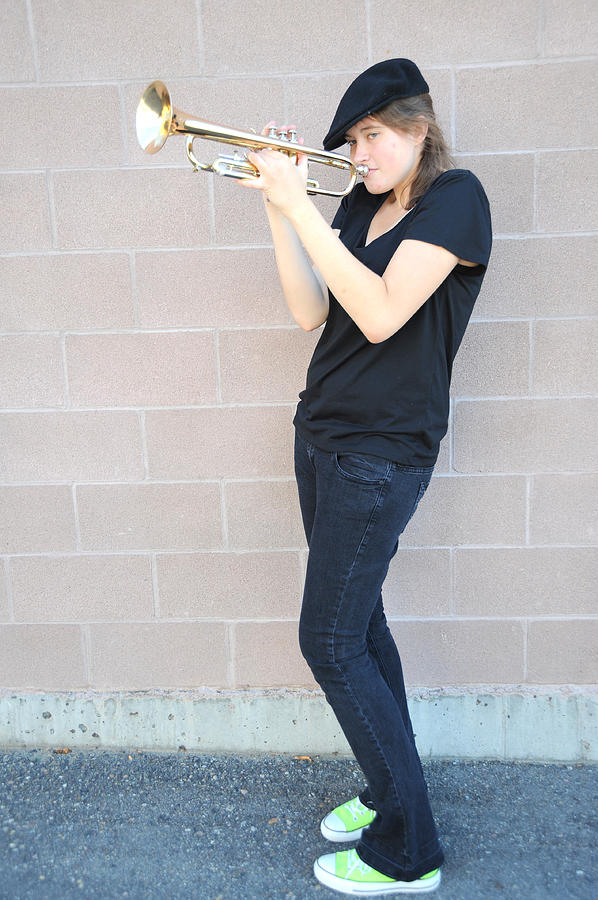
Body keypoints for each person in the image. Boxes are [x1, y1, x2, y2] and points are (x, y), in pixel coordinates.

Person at [237, 58, 492, 896]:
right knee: (362, 627)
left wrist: (293, 203)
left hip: (380, 455)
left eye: (375, 135)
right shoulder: (355, 202)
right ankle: (391, 792)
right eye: (353, 139)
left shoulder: (458, 201)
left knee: (330, 640)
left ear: (420, 128)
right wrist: (287, 211)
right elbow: (313, 308)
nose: (363, 152)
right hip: (322, 437)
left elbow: (382, 313)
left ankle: (407, 850)